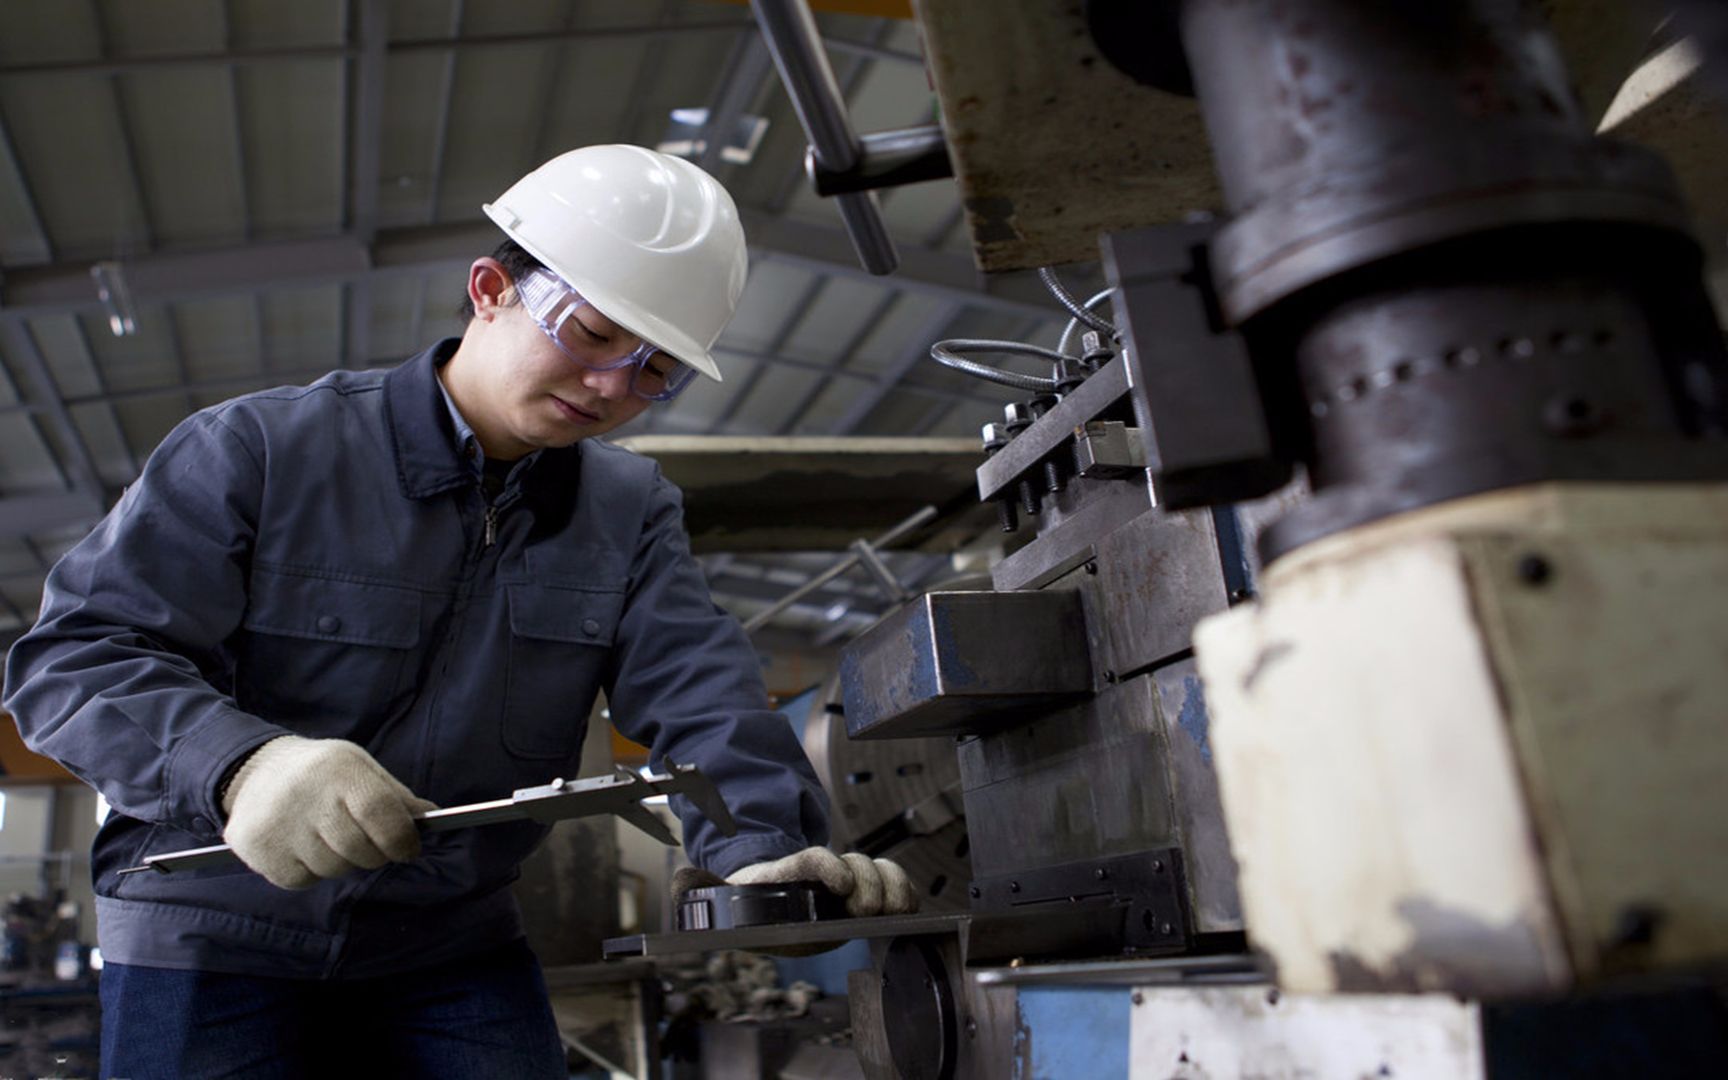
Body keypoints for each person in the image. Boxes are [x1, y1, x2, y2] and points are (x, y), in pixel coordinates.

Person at [2, 144, 916, 1078]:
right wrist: (242, 766)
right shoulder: (263, 452)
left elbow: (701, 691)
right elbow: (74, 656)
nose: (611, 388)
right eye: (591, 333)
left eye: (656, 371)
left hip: (445, 943)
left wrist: (760, 851)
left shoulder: (627, 511)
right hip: (210, 929)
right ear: (489, 289)